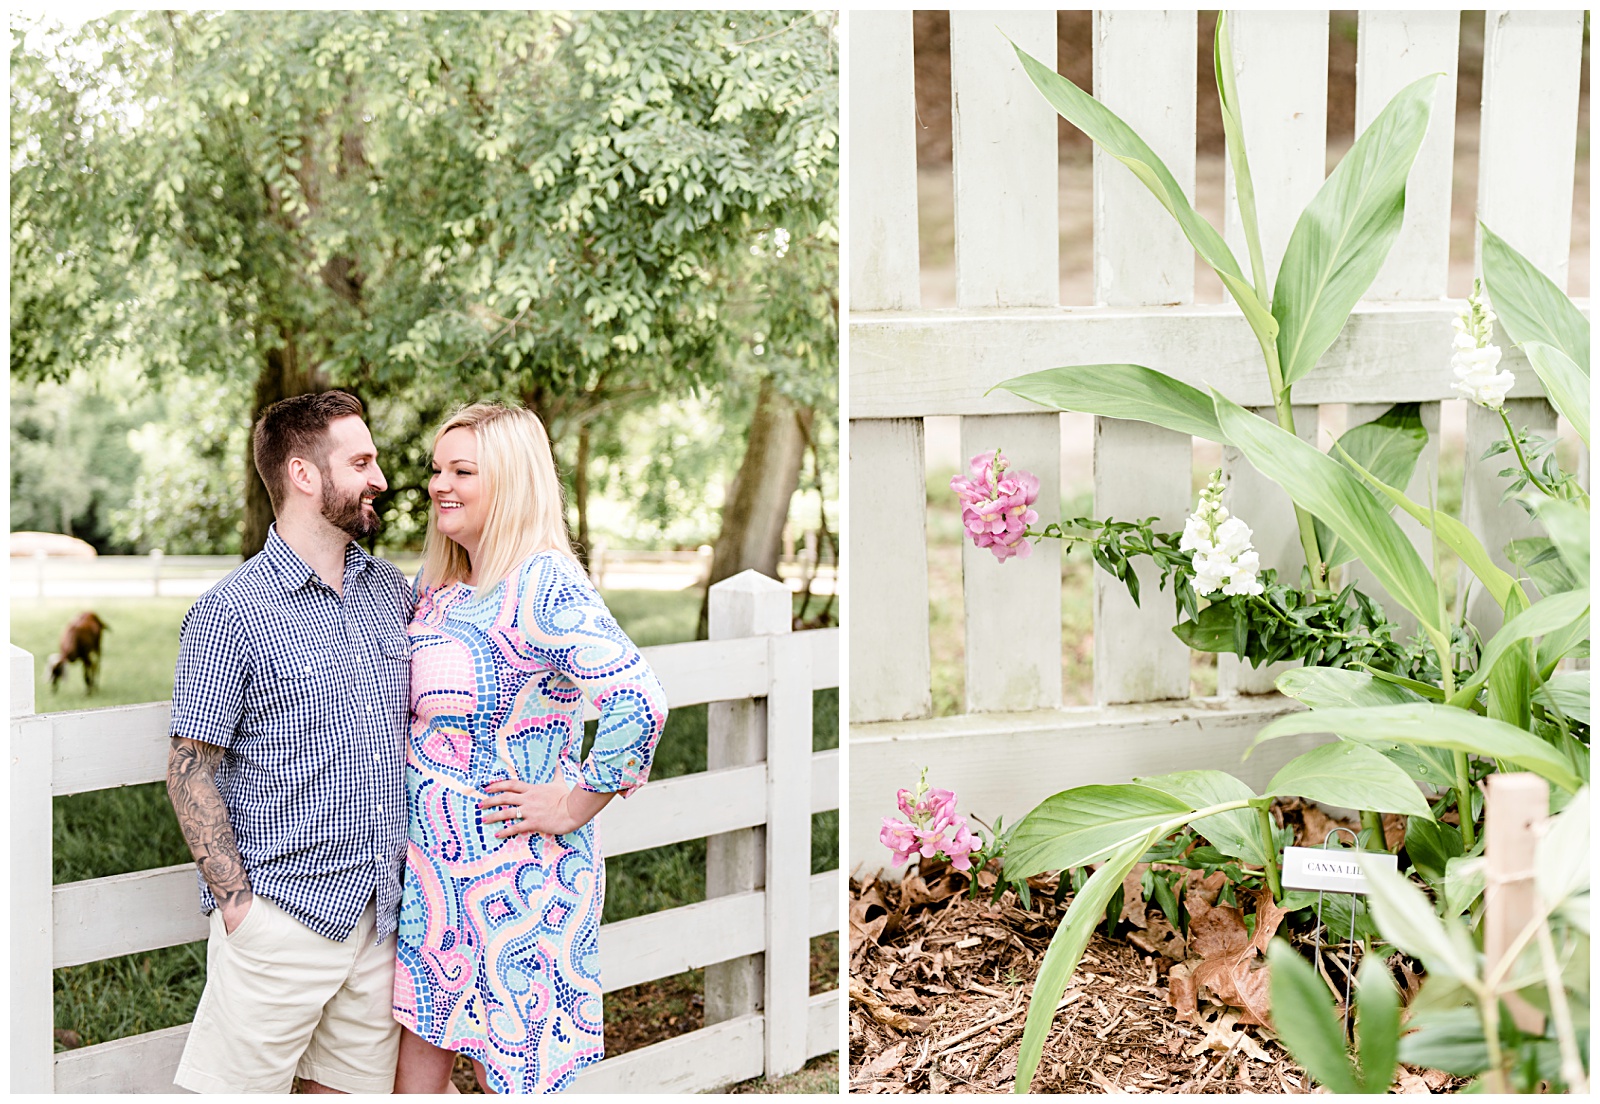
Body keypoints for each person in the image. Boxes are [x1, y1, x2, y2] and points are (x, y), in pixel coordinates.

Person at [392, 402, 668, 1094]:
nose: (439, 485)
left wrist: (575, 805)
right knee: (417, 1069)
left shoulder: (543, 582)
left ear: (511, 480)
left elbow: (638, 699)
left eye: (463, 471)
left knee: (516, 1078)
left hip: (518, 882)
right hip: (433, 882)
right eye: (436, 469)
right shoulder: (441, 588)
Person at [166, 391, 413, 1094]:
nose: (380, 479)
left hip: (378, 915)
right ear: (305, 475)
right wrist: (240, 909)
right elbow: (189, 771)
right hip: (283, 918)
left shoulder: (389, 591)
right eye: (361, 461)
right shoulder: (230, 613)